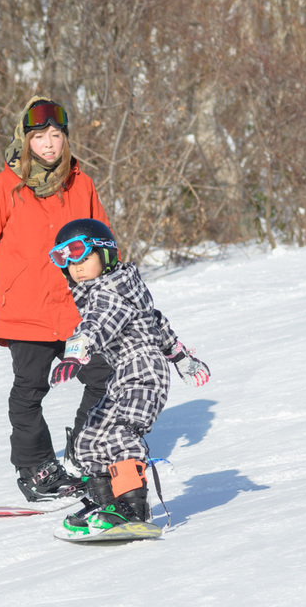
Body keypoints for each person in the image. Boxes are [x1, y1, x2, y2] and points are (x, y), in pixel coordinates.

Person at [0, 97, 111, 502]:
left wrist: (114, 282)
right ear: (25, 139)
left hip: (75, 309)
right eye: (40, 137)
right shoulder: (7, 186)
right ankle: (36, 468)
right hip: (26, 310)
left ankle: (82, 451)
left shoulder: (81, 183)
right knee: (30, 389)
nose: (50, 145)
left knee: (105, 376)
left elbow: (104, 239)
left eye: (56, 136)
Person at [47, 218, 210, 536]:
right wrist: (182, 359)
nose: (75, 268)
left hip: (143, 374)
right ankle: (105, 505)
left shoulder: (110, 294)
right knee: (90, 438)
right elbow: (156, 324)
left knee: (120, 433)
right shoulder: (118, 290)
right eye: (65, 260)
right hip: (122, 376)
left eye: (82, 256)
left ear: (105, 254)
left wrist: (75, 355)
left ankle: (132, 509)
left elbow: (95, 325)